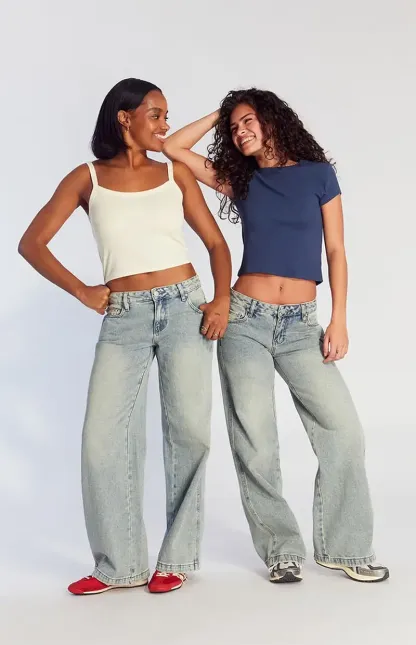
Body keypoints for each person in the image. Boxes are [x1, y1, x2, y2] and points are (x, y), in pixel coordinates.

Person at [163, 88, 389, 584]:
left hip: (302, 325)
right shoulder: (243, 181)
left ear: (272, 120)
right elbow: (172, 147)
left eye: (248, 121)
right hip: (245, 321)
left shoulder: (318, 175)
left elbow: (336, 251)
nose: (239, 132)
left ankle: (345, 548)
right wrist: (223, 112)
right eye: (233, 128)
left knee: (343, 431)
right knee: (256, 441)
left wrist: (339, 319)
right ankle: (281, 550)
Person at [18, 78, 231, 595]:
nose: (164, 125)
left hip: (184, 308)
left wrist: (222, 298)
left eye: (166, 116)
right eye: (156, 114)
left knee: (190, 433)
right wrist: (82, 290)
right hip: (124, 316)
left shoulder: (176, 173)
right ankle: (120, 564)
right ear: (124, 117)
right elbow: (32, 243)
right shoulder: (86, 177)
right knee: (102, 439)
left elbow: (216, 244)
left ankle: (176, 558)